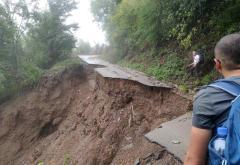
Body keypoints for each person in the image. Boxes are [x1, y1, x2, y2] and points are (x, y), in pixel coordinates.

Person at [184, 33, 240, 165]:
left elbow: (194, 159)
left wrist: (193, 64)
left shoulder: (208, 97)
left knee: (194, 71)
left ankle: (196, 78)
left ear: (217, 64)